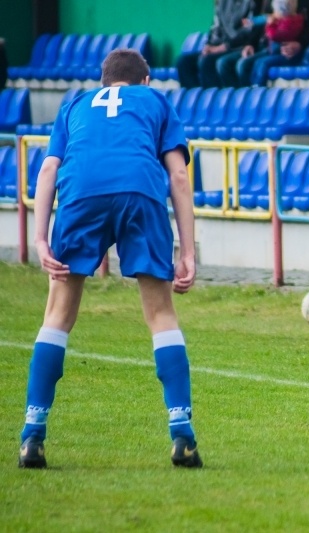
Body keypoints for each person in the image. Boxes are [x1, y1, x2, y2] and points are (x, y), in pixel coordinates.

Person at [18, 49, 202, 469]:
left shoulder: (75, 104)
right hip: (139, 190)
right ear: (145, 80)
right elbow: (177, 175)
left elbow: (47, 172)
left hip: (80, 192)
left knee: (58, 315)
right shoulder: (155, 101)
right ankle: (182, 435)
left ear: (104, 82)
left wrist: (39, 239)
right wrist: (187, 251)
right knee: (160, 315)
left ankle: (32, 434)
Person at [219, 0, 309, 87]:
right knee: (232, 63)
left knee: (248, 65)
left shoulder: (308, 3)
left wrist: (299, 43)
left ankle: (256, 96)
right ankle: (244, 100)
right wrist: (251, 44)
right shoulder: (273, 2)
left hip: (288, 51)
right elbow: (262, 23)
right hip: (267, 47)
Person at [177, 0, 258, 88]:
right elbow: (216, 27)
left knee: (208, 62)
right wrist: (209, 45)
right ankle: (196, 99)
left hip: (240, 47)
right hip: (220, 48)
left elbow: (249, 32)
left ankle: (216, 99)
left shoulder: (252, 2)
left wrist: (224, 46)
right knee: (184, 63)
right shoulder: (222, 2)